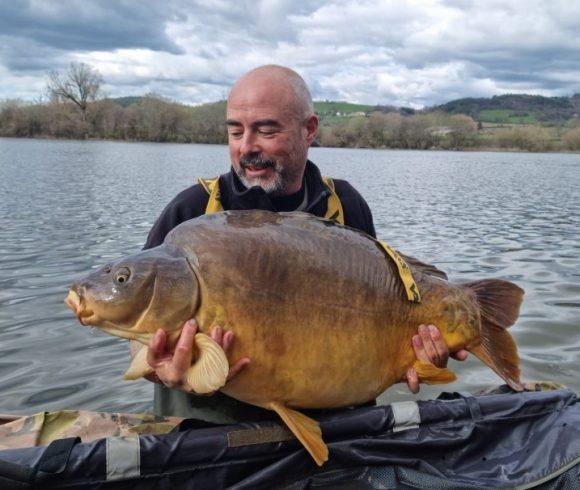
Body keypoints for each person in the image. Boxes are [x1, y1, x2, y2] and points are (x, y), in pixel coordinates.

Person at [135, 65, 468, 422]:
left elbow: (384, 307)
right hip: (209, 433)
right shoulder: (191, 210)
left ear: (309, 130)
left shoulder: (345, 205)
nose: (247, 148)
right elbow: (138, 332)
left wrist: (413, 355)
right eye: (235, 132)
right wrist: (158, 368)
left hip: (332, 425)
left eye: (266, 130)